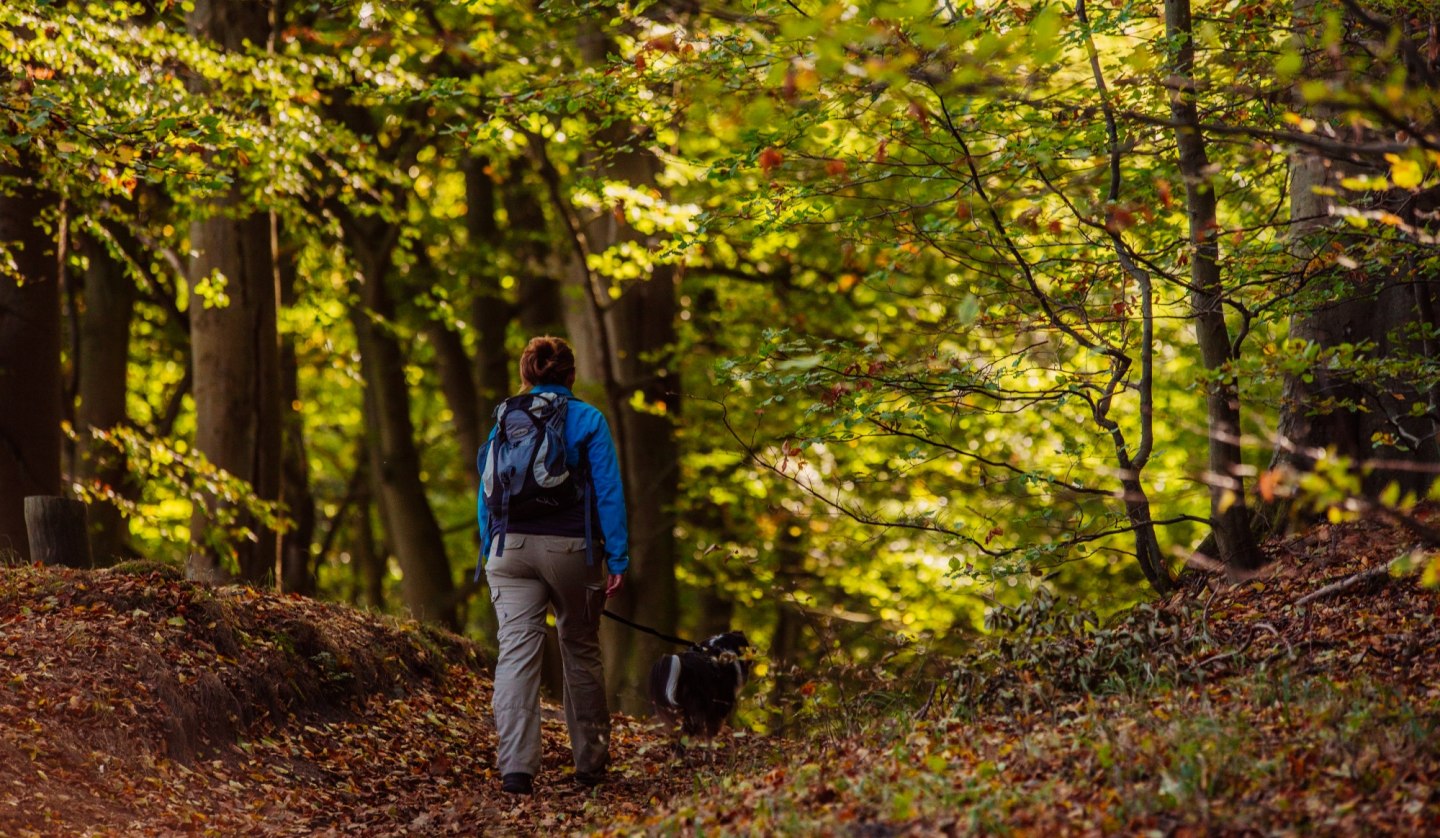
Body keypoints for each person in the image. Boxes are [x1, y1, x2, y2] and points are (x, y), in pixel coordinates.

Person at [478, 336, 628, 796]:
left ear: (526, 375)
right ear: (570, 376)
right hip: (571, 551)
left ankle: (517, 771)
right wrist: (617, 556)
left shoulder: (505, 417)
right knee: (579, 647)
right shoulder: (588, 419)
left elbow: (485, 490)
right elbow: (608, 492)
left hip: (509, 550)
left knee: (517, 654)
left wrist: (491, 549)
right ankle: (591, 764)